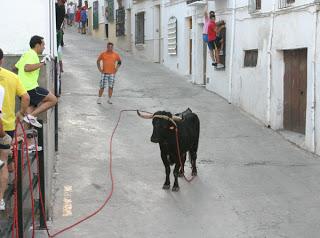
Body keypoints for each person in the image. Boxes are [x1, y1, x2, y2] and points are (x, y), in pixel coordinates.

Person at [0, 48, 30, 210]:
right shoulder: (12, 77)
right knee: (4, 160)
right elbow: (26, 97)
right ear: (2, 60)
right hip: (8, 127)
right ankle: (3, 198)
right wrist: (20, 113)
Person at [14, 36, 57, 128]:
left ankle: (19, 137)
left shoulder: (26, 54)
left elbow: (16, 67)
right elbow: (27, 68)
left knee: (26, 120)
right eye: (43, 45)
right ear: (37, 45)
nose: (44, 47)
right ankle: (31, 116)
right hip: (30, 88)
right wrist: (42, 63)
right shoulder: (32, 54)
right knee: (53, 99)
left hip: (22, 89)